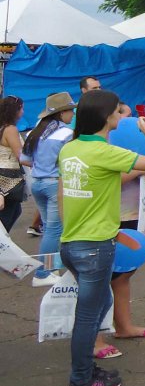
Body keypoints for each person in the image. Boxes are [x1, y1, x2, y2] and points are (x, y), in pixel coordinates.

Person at [58, 89, 145, 386]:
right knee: (88, 316)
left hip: (74, 242)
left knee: (98, 306)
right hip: (94, 247)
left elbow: (66, 192)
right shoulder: (105, 152)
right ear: (107, 118)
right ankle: (80, 383)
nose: (123, 117)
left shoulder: (71, 150)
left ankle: (86, 372)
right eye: (118, 112)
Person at [93, 102, 145, 359]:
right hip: (111, 218)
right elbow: (110, 179)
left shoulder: (119, 146)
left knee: (122, 276)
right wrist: (141, 168)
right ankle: (96, 338)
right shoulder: (98, 147)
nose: (125, 118)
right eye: (119, 113)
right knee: (100, 280)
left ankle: (124, 325)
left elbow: (144, 167)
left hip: (133, 215)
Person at [24, 92, 76, 286]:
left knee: (49, 228)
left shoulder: (34, 133)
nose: (72, 114)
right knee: (54, 230)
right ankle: (43, 273)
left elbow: (24, 159)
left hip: (37, 182)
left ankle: (51, 266)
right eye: (70, 110)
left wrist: (42, 167)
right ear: (61, 113)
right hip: (55, 183)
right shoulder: (67, 134)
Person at [0, 96, 26, 233]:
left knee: (15, 210)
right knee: (8, 214)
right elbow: (20, 155)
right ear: (15, 110)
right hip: (10, 176)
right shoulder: (11, 130)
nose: (23, 112)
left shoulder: (2, 128)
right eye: (21, 108)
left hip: (2, 174)